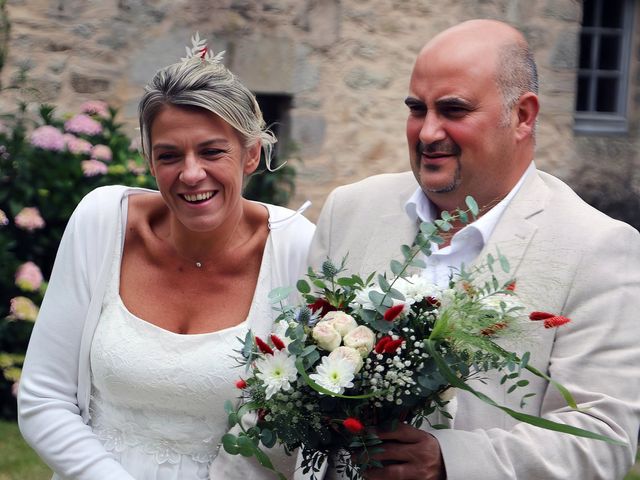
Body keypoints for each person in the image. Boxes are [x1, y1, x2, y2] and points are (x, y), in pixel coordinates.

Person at [307, 19, 640, 480]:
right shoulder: (350, 210)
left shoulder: (598, 247)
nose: (426, 132)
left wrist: (451, 462)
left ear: (522, 116)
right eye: (416, 109)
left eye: (453, 110)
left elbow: (603, 439)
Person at [18, 36, 315, 480]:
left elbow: (299, 425)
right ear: (149, 161)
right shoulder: (103, 223)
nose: (191, 173)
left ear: (251, 153)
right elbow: (43, 397)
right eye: (169, 155)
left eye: (213, 151)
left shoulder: (297, 249)